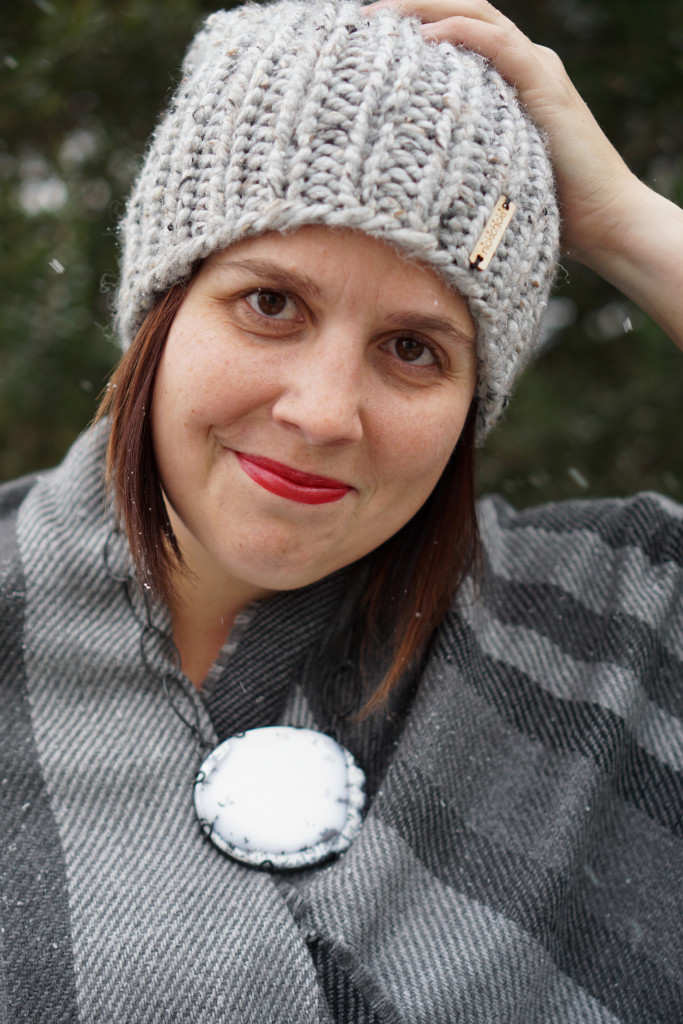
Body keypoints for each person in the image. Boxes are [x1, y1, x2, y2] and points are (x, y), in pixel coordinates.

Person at [1, 0, 682, 1020]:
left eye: (413, 349)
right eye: (270, 303)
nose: (321, 413)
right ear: (161, 311)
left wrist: (627, 223)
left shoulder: (624, 627)